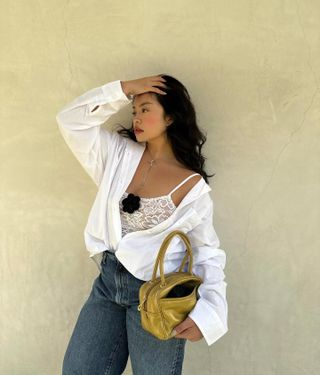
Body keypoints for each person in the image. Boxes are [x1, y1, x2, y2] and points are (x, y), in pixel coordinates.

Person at [56, 74, 228, 374]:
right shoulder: (118, 156)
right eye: (134, 110)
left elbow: (207, 252)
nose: (136, 117)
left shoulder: (192, 187)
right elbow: (70, 120)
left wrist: (208, 314)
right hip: (108, 286)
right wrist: (124, 89)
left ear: (170, 117)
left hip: (158, 298)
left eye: (145, 109)